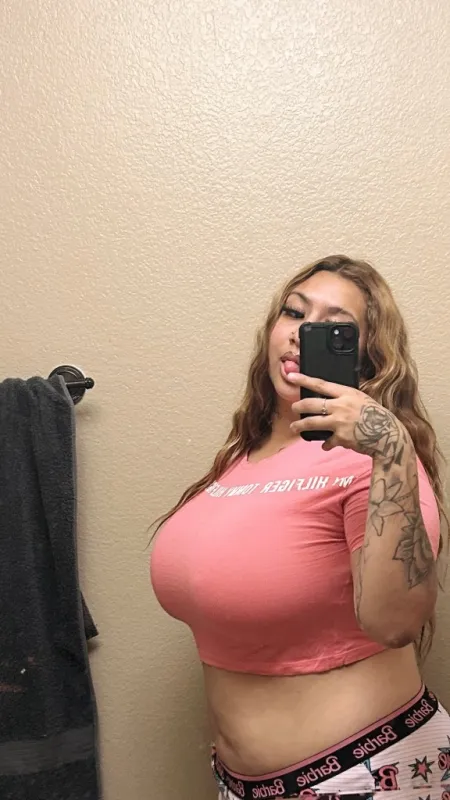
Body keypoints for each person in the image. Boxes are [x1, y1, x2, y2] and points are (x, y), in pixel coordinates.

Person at [150, 255, 449, 799]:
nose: (300, 332)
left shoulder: (374, 458)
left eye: (336, 325)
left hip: (365, 773)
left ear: (365, 354)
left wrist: (391, 447)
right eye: (293, 312)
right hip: (243, 784)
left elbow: (397, 623)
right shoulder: (239, 459)